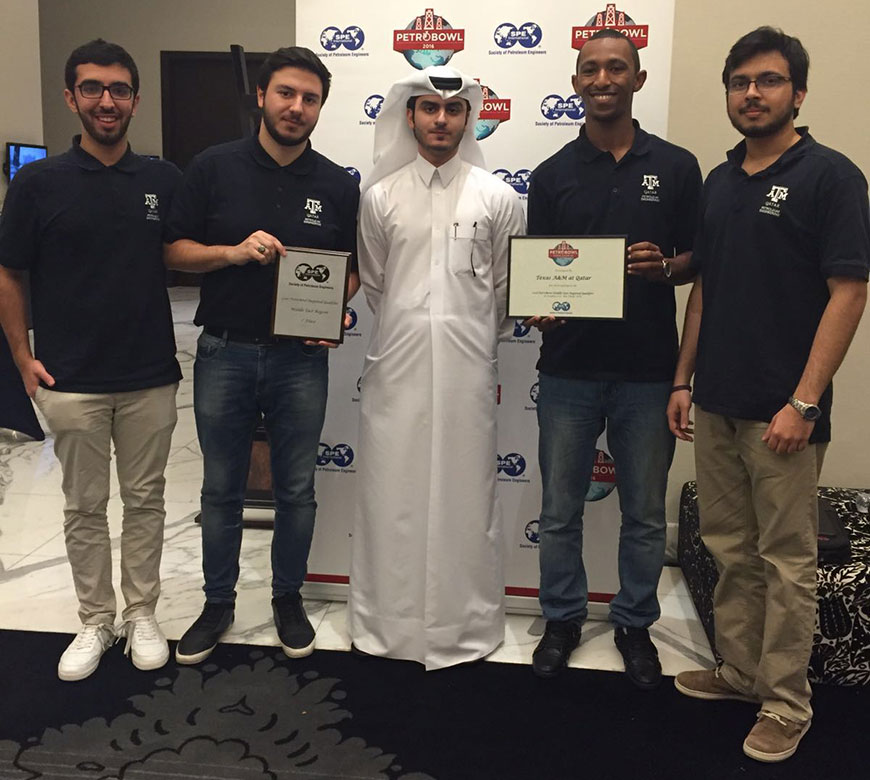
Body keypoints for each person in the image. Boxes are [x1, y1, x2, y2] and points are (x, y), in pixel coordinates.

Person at [668, 27, 869, 762]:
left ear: (798, 93)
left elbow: (849, 293)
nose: (752, 93)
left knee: (787, 562)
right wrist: (684, 380)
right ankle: (741, 672)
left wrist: (805, 402)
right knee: (730, 549)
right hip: (716, 400)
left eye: (769, 81)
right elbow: (705, 291)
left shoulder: (832, 177)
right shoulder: (721, 183)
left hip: (784, 410)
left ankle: (787, 703)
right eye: (740, 82)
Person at [164, 46, 359, 664]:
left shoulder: (335, 183)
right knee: (221, 488)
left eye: (309, 99)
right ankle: (217, 602)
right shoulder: (212, 167)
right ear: (262, 97)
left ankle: (287, 598)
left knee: (297, 489)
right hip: (224, 350)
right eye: (286, 94)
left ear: (320, 108)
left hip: (301, 360)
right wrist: (231, 252)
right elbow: (172, 252)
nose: (296, 108)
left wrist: (334, 312)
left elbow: (351, 271)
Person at [0, 39, 182, 680]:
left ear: (136, 99)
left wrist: (239, 252)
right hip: (70, 377)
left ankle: (141, 614)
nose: (108, 100)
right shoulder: (37, 183)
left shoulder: (162, 180)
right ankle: (95, 620)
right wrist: (22, 357)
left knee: (146, 501)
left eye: (120, 89)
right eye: (94, 88)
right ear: (71, 97)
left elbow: (180, 252)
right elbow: (10, 271)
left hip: (150, 375)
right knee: (82, 507)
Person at [525, 29, 702, 686]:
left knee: (646, 514)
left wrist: (668, 267)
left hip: (648, 371)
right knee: (561, 507)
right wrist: (537, 301)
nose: (603, 79)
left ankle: (634, 624)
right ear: (576, 82)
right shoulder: (550, 176)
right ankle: (563, 616)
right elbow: (536, 273)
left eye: (617, 68)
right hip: (568, 368)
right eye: (591, 69)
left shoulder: (678, 167)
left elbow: (699, 261)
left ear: (638, 78)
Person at [349, 65, 526, 669]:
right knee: (391, 495)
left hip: (468, 374)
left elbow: (506, 293)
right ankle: (388, 625)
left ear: (468, 117)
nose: (441, 120)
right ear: (410, 116)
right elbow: (376, 285)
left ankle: (464, 627)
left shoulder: (497, 198)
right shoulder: (380, 197)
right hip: (395, 369)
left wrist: (461, 338)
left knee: (465, 496)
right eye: (429, 109)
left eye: (453, 111)